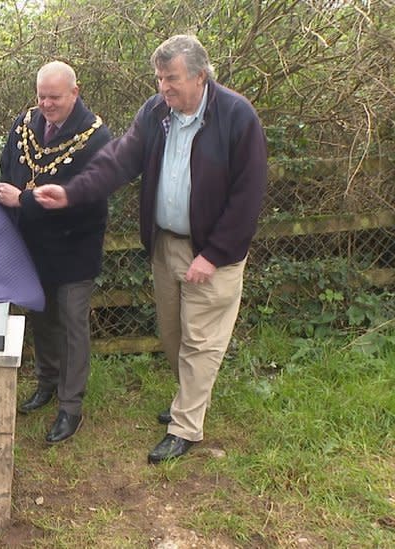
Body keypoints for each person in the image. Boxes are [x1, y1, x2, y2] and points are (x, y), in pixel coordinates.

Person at [33, 35, 267, 463]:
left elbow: (248, 196)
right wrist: (71, 193)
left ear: (200, 75)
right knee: (174, 335)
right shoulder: (157, 112)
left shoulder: (236, 117)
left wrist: (213, 254)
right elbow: (118, 159)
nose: (164, 87)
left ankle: (185, 427)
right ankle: (189, 401)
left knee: (200, 342)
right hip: (167, 246)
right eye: (159, 79)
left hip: (211, 253)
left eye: (172, 79)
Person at [0, 61, 111, 443]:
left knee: (73, 325)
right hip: (32, 246)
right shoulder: (24, 123)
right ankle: (46, 383)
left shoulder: (96, 138)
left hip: (74, 247)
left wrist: (23, 200)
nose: (46, 104)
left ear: (75, 93)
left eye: (54, 97)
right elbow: (7, 167)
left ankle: (70, 407)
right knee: (41, 316)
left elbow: (87, 200)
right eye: (41, 95)